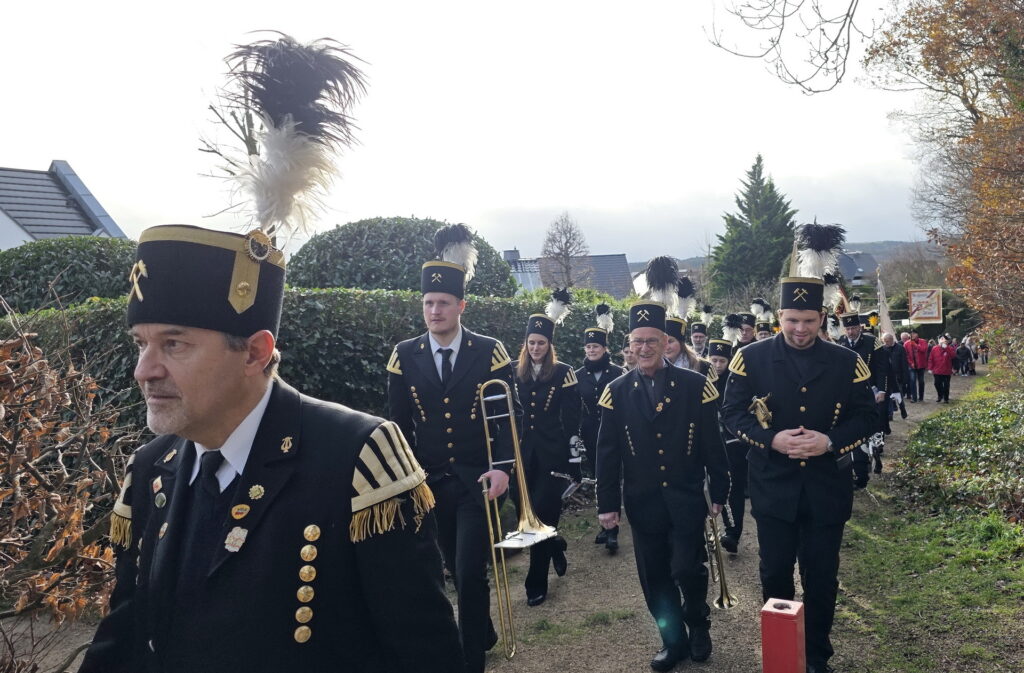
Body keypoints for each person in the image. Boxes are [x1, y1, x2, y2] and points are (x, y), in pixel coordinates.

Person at [79, 225, 465, 673]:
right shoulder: (149, 468)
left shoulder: (357, 457)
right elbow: (124, 638)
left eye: (173, 344)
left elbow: (423, 653)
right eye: (141, 343)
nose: (144, 370)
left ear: (254, 353)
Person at [721, 223, 877, 673]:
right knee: (774, 576)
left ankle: (816, 656)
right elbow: (732, 413)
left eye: (809, 321)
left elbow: (868, 417)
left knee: (822, 578)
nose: (800, 329)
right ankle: (783, 656)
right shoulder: (750, 358)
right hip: (773, 486)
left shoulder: (848, 362)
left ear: (822, 319)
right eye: (791, 320)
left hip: (827, 487)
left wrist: (830, 441)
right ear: (779, 317)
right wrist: (771, 438)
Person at [387, 224, 519, 673]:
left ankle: (469, 660)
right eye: (428, 303)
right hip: (429, 482)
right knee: (449, 566)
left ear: (461, 305)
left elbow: (507, 419)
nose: (434, 311)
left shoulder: (490, 351)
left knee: (468, 570)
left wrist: (503, 468)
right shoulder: (403, 355)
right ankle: (482, 630)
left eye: (443, 303)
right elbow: (399, 426)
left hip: (477, 480)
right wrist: (404, 481)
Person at [596, 257, 729, 671]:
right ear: (629, 344)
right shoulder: (616, 391)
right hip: (643, 502)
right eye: (637, 341)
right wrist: (607, 505)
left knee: (687, 568)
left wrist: (720, 491)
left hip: (687, 498)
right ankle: (673, 642)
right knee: (654, 577)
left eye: (652, 340)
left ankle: (698, 623)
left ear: (665, 341)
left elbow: (713, 445)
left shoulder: (696, 386)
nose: (644, 348)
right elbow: (607, 453)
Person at [510, 291, 581, 606]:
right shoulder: (513, 370)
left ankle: (536, 581)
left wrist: (575, 460)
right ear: (525, 344)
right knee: (525, 514)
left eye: (541, 343)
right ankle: (554, 544)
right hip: (521, 456)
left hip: (553, 455)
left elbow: (573, 419)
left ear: (550, 345)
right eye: (531, 343)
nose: (535, 348)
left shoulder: (564, 372)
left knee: (543, 511)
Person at [575, 305, 625, 552]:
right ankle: (604, 524)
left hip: (615, 432)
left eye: (596, 346)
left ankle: (614, 529)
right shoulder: (577, 375)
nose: (591, 350)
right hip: (591, 433)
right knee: (599, 478)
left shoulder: (618, 372)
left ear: (605, 349)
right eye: (588, 347)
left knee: (614, 477)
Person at [837, 311, 885, 489]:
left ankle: (872, 457)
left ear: (860, 327)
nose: (850, 332)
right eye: (847, 329)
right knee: (852, 432)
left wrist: (882, 390)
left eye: (853, 328)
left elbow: (881, 368)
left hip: (869, 391)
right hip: (848, 394)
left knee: (869, 429)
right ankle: (857, 471)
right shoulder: (840, 343)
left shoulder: (872, 342)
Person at [707, 338, 746, 555]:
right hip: (708, 444)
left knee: (732, 488)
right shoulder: (701, 379)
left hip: (732, 444)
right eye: (714, 360)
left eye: (722, 361)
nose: (717, 365)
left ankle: (732, 531)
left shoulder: (735, 381)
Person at [927, 336, 957, 403]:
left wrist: (946, 348)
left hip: (946, 370)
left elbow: (953, 356)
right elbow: (931, 359)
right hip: (937, 370)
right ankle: (940, 395)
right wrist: (930, 368)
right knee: (937, 384)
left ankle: (946, 398)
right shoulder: (934, 348)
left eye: (945, 341)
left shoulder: (949, 348)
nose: (943, 342)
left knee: (946, 385)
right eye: (942, 340)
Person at [905, 330, 929, 402]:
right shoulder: (906, 343)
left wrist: (915, 345)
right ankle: (914, 397)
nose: (912, 335)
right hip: (912, 365)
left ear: (917, 334)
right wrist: (910, 362)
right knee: (912, 381)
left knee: (921, 381)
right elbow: (906, 355)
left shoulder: (923, 341)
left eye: (914, 333)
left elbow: (924, 350)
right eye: (911, 334)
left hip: (921, 365)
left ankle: (921, 397)